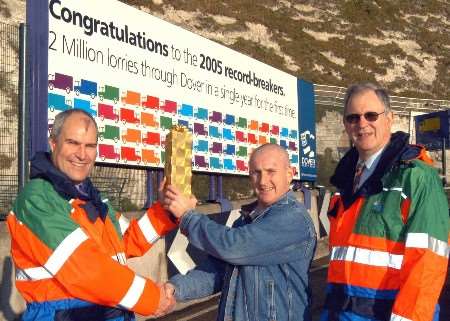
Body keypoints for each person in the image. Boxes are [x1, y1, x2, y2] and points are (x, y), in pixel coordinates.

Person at [7, 109, 176, 321]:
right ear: (53, 144)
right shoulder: (38, 200)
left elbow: (126, 241)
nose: (82, 154)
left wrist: (165, 211)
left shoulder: (92, 198)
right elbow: (87, 270)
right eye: (72, 143)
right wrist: (153, 298)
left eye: (90, 146)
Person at [321, 83, 449, 321]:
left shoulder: (416, 177)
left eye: (371, 115)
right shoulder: (346, 180)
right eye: (353, 117)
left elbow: (427, 265)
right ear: (346, 125)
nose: (362, 123)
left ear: (389, 119)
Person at [162, 143, 317, 321]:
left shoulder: (293, 219)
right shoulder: (245, 220)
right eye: (256, 172)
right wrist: (176, 288)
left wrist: (188, 217)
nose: (263, 180)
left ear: (289, 174)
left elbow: (233, 246)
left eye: (270, 171)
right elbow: (219, 270)